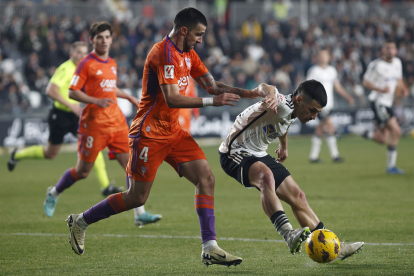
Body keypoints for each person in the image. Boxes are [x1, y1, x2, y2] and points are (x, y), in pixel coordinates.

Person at [65, 8, 277, 266]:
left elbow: (213, 85)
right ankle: (80, 221)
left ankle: (209, 246)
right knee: (137, 197)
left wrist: (252, 92)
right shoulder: (163, 53)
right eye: (198, 34)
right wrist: (213, 102)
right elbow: (172, 98)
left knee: (206, 178)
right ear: (184, 30)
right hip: (149, 134)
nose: (201, 39)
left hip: (173, 131)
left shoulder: (188, 53)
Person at [219, 81, 364, 264]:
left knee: (298, 196)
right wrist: (270, 95)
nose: (314, 116)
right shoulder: (279, 101)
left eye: (317, 112)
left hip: (258, 153)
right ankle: (288, 234)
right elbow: (266, 87)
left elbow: (284, 123)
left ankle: (334, 247)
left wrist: (283, 145)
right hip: (234, 152)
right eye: (313, 110)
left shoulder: (293, 110)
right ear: (300, 100)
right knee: (266, 177)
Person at [44, 22, 162, 227]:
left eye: (107, 37)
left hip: (116, 123)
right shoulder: (85, 63)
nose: (104, 40)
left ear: (111, 39)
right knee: (82, 171)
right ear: (92, 40)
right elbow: (73, 92)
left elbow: (109, 87)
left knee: (131, 166)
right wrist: (95, 101)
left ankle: (139, 214)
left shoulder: (112, 63)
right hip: (94, 125)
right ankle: (54, 192)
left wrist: (129, 97)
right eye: (100, 37)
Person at [7, 41, 123, 197]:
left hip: (76, 116)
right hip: (60, 115)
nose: (82, 56)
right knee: (50, 153)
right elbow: (51, 90)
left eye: (84, 52)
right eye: (79, 53)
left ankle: (105, 186)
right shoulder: (65, 69)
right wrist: (71, 105)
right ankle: (17, 155)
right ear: (71, 54)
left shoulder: (84, 68)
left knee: (92, 144)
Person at [359, 40, 408, 174]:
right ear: (383, 50)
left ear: (396, 50)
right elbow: (365, 82)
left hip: (388, 103)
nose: (390, 50)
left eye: (393, 48)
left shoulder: (397, 63)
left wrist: (403, 89)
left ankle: (360, 131)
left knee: (383, 139)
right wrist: (380, 89)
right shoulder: (376, 65)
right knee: (396, 131)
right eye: (388, 48)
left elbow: (398, 80)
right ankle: (391, 167)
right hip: (378, 102)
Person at [306, 49, 354, 163]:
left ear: (329, 57)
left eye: (325, 55)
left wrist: (348, 97)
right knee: (330, 127)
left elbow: (337, 86)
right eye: (321, 55)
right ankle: (335, 155)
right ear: (318, 57)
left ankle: (313, 157)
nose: (323, 57)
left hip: (329, 105)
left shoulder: (332, 71)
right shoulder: (314, 71)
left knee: (320, 130)